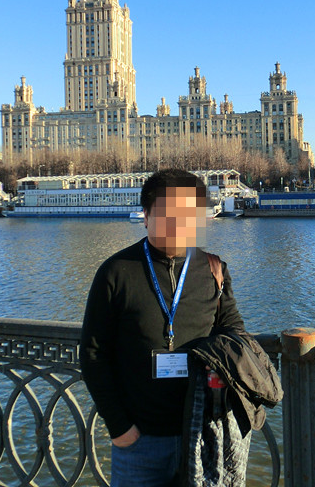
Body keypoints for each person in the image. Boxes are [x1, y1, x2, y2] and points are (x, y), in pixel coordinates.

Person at [80, 169, 245, 487]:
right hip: (140, 441)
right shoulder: (116, 272)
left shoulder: (214, 269)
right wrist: (120, 428)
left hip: (203, 434)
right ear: (146, 216)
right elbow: (93, 354)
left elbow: (233, 329)